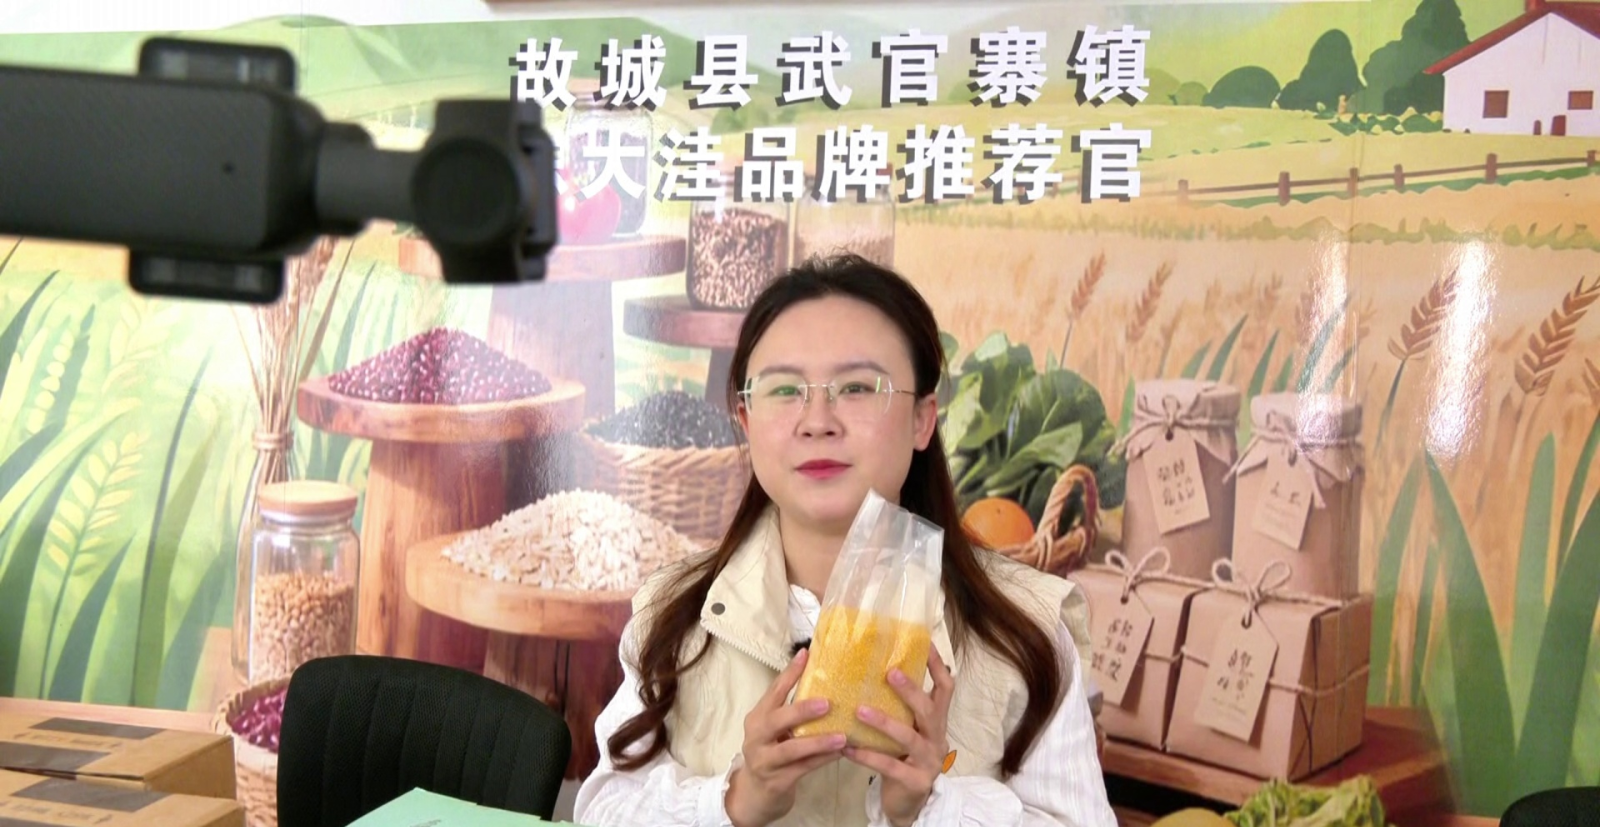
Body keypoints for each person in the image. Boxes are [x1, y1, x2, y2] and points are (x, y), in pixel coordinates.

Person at [573, 254, 1115, 827]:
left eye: (857, 387)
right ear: (746, 420)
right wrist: (735, 801)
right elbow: (603, 809)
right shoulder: (674, 616)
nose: (817, 420)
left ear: (922, 419)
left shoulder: (1026, 629)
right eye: (785, 390)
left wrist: (927, 810)